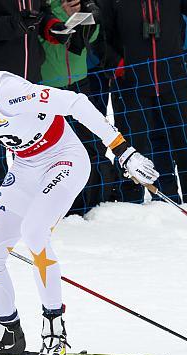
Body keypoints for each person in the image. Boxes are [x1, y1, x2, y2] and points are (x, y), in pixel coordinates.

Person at [0, 45, 159, 355]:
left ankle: (55, 325)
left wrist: (123, 151)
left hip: (64, 159)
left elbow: (76, 103)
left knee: (34, 232)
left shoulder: (3, 91)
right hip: (26, 166)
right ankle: (8, 332)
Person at [98, 0, 187, 206]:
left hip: (174, 75)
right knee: (133, 148)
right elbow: (100, 34)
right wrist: (117, 65)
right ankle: (131, 207)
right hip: (130, 82)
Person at [0, 0, 63, 210]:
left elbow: (40, 13)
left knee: (32, 147)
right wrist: (14, 24)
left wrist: (51, 26)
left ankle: (29, 206)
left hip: (29, 79)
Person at [39, 0, 115, 215]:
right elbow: (43, 36)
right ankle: (57, 207)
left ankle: (92, 203)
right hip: (49, 84)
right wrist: (59, 17)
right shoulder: (41, 6)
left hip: (80, 81)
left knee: (88, 145)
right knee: (53, 150)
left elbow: (90, 37)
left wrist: (83, 14)